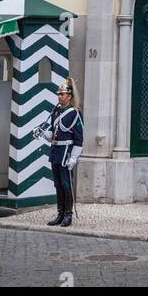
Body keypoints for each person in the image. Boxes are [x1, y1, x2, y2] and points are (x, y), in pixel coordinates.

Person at [44, 76, 83, 228]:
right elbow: (54, 132)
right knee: (58, 184)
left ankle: (68, 215)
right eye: (58, 94)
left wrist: (74, 157)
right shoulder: (56, 111)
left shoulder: (75, 113)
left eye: (62, 94)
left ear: (69, 96)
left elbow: (79, 139)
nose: (59, 96)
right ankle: (60, 214)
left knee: (67, 185)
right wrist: (45, 135)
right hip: (55, 151)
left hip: (66, 152)